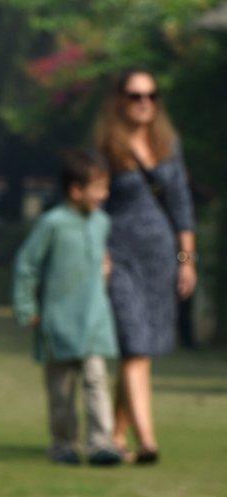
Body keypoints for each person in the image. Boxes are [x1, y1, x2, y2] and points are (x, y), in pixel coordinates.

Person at [94, 69, 197, 464]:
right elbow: (94, 207)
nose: (144, 103)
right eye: (136, 95)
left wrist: (186, 261)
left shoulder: (168, 145)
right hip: (119, 258)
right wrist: (99, 256)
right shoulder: (105, 147)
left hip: (160, 260)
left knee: (141, 349)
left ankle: (116, 436)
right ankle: (148, 441)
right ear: (119, 99)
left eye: (152, 96)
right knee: (135, 346)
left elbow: (181, 207)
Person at [12, 150, 124, 466]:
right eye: (99, 188)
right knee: (61, 391)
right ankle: (63, 443)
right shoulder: (52, 224)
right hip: (58, 323)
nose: (105, 195)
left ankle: (101, 442)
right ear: (76, 190)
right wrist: (26, 307)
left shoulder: (102, 222)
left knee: (96, 381)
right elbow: (26, 266)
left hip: (94, 321)